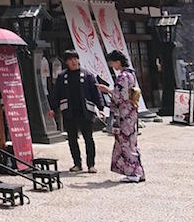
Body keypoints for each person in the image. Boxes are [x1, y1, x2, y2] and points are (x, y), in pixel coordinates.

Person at [47, 50, 105, 173]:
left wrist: (101, 108)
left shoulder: (88, 75)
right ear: (66, 62)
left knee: (88, 138)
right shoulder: (62, 76)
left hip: (85, 111)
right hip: (69, 112)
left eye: (75, 58)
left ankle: (91, 165)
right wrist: (53, 108)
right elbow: (56, 94)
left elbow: (96, 93)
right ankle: (77, 164)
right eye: (70, 59)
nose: (73, 61)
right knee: (72, 139)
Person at [98, 50, 145, 183]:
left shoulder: (122, 76)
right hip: (131, 112)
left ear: (117, 62)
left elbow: (120, 96)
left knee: (126, 142)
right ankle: (138, 171)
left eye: (113, 63)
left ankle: (133, 172)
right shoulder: (131, 74)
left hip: (124, 113)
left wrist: (107, 90)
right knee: (131, 142)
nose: (113, 66)